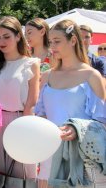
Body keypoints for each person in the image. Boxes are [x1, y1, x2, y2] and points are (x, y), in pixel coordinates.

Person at [34, 19, 106, 187]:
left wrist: (77, 128)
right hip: (49, 151)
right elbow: (41, 113)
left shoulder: (91, 75)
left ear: (73, 40)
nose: (52, 46)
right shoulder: (47, 76)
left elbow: (102, 120)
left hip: (81, 157)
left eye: (57, 41)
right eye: (50, 42)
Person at [0, 16, 40, 180]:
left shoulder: (31, 63)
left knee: (21, 175)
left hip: (20, 121)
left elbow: (32, 101)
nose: (1, 41)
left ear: (18, 36)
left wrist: (25, 130)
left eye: (6, 36)